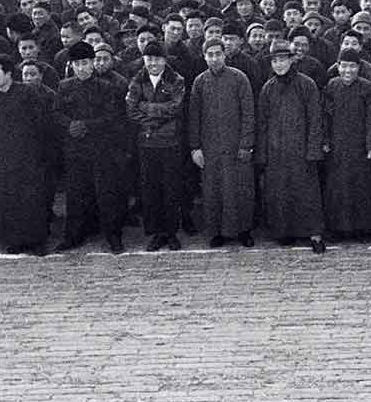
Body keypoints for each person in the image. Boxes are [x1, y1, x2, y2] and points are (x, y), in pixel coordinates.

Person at [53, 41, 125, 254]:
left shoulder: (106, 87)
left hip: (101, 148)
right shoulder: (64, 86)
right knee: (75, 194)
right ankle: (73, 236)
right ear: (71, 66)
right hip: (75, 150)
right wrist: (69, 125)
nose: (81, 68)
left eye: (85, 63)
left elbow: (112, 117)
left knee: (106, 194)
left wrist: (86, 126)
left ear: (93, 63)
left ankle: (113, 236)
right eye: (77, 64)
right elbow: (56, 113)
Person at [256, 40, 326, 252]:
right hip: (276, 151)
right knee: (279, 193)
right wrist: (263, 154)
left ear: (292, 60)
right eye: (275, 61)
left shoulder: (306, 84)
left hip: (301, 150)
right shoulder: (268, 88)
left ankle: (313, 234)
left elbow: (315, 118)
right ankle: (284, 232)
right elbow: (263, 122)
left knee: (306, 193)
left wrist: (313, 149)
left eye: (283, 60)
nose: (279, 65)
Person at [188, 39, 256, 249]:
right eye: (210, 54)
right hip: (210, 147)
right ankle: (216, 231)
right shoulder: (200, 82)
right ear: (204, 57)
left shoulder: (239, 78)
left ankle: (243, 230)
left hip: (235, 145)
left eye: (218, 54)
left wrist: (246, 144)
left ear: (225, 55)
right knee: (213, 190)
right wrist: (195, 147)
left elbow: (248, 112)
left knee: (239, 190)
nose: (215, 58)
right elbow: (194, 117)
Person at [0, 54, 49, 255]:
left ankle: (37, 241)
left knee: (31, 199)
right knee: (7, 199)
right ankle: (14, 240)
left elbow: (40, 125)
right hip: (2, 159)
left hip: (28, 158)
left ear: (8, 73)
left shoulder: (27, 93)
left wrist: (36, 154)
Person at [126, 38, 187, 251]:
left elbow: (176, 108)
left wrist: (148, 108)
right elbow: (131, 110)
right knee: (150, 190)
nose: (153, 63)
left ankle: (171, 232)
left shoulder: (176, 80)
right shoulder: (137, 79)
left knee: (171, 188)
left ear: (164, 59)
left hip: (170, 142)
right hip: (147, 144)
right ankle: (156, 232)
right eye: (149, 58)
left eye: (157, 59)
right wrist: (153, 118)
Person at [321, 48, 371, 239]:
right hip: (337, 145)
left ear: (359, 67)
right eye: (344, 66)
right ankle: (339, 228)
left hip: (359, 145)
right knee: (338, 188)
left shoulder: (368, 88)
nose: (348, 71)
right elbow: (324, 116)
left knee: (361, 186)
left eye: (352, 67)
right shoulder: (331, 86)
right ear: (338, 66)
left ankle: (362, 229)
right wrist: (325, 140)